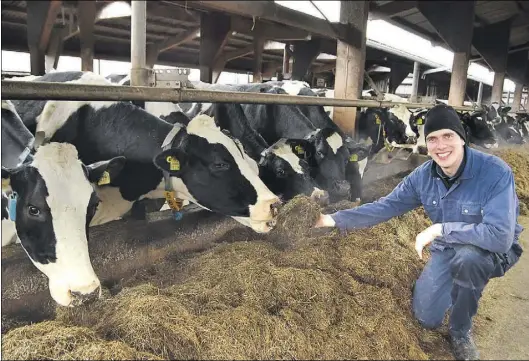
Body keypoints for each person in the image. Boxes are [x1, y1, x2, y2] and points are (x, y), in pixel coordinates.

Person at [314, 104, 524, 360]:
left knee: (469, 260)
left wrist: (440, 229)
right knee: (426, 318)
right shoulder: (423, 176)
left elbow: (500, 237)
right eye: (432, 139)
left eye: (448, 136)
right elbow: (386, 206)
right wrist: (332, 219)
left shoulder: (495, 172)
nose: (441, 145)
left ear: (462, 138)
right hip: (448, 247)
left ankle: (460, 331)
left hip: (490, 250)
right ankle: (444, 285)